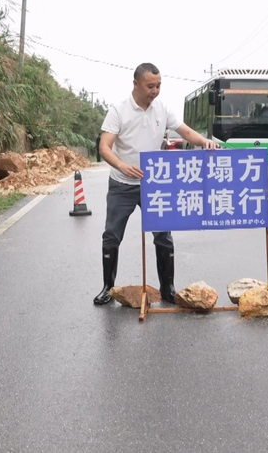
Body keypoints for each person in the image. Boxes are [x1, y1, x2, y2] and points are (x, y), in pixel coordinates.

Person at [94, 63, 220, 306]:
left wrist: (205, 142)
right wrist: (122, 166)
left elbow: (185, 132)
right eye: (150, 86)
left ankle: (167, 289)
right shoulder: (118, 110)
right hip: (122, 184)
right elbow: (104, 147)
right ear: (136, 84)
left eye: (159, 86)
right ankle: (107, 287)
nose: (155, 91)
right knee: (112, 235)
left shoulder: (162, 109)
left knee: (163, 235)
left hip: (154, 184)